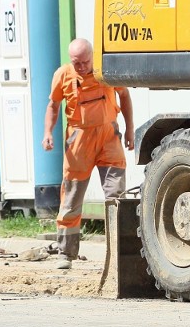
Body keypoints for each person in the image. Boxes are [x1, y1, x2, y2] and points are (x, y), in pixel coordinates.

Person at [42, 38, 134, 269]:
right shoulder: (62, 75)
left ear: (93, 56)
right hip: (78, 143)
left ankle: (120, 254)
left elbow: (124, 96)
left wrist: (130, 129)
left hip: (108, 138)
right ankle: (66, 252)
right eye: (77, 63)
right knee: (71, 197)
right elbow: (53, 105)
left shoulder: (107, 70)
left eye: (85, 62)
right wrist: (48, 133)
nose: (82, 67)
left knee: (116, 196)